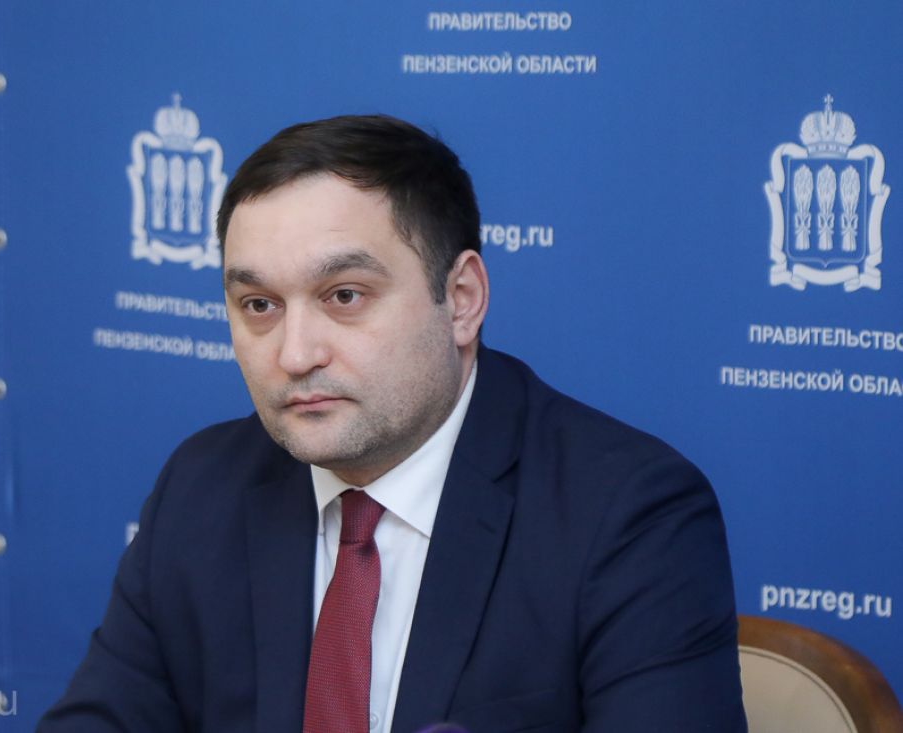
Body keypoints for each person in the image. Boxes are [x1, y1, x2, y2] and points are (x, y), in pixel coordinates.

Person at [39, 115, 747, 732]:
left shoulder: (628, 514)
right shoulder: (201, 488)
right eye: (259, 305)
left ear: (461, 299)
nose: (294, 354)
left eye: (344, 296)